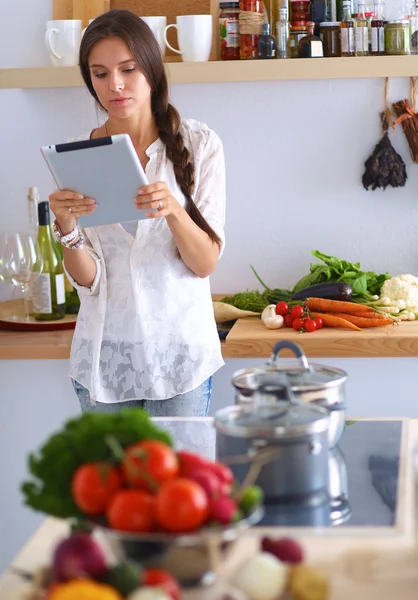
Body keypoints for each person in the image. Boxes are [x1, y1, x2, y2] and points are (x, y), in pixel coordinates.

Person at [49, 9, 226, 416]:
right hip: (104, 361)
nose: (115, 85)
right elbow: (89, 281)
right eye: (100, 73)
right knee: (112, 483)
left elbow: (205, 263)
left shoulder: (200, 145)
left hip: (181, 359)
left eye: (128, 69)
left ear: (150, 68)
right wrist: (67, 228)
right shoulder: (78, 154)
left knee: (177, 481)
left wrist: (173, 212)